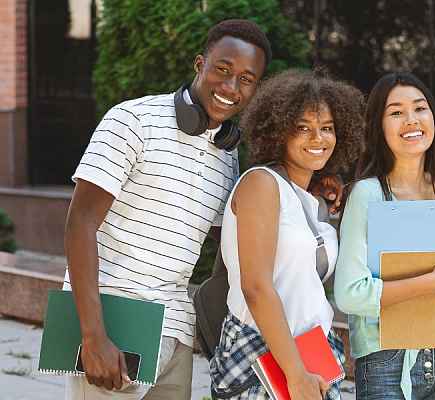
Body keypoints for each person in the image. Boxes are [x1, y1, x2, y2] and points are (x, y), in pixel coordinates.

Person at [63, 19, 270, 399]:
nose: (230, 87)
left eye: (246, 79)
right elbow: (80, 222)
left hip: (174, 327)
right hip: (113, 317)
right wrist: (92, 335)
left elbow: (237, 244)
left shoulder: (227, 156)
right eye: (222, 70)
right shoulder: (132, 120)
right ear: (199, 64)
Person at [207, 68, 365, 400]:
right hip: (267, 359)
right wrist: (295, 374)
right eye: (303, 128)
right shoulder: (261, 184)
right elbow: (256, 287)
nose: (317, 139)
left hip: (314, 355)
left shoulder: (309, 195)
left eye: (327, 129)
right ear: (279, 131)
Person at [334, 72, 435, 400]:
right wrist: (430, 284)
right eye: (396, 112)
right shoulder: (368, 194)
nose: (411, 120)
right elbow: (349, 294)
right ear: (378, 125)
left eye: (420, 108)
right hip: (386, 356)